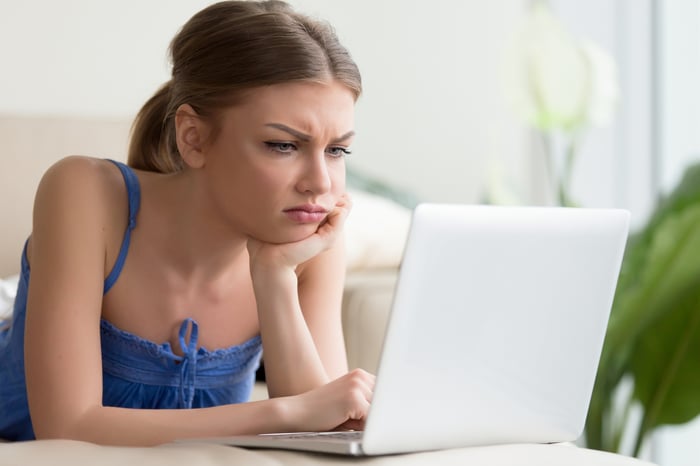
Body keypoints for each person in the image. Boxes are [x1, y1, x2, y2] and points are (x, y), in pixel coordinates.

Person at [0, 0, 375, 445]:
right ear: (193, 138)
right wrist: (284, 412)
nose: (319, 183)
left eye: (337, 151)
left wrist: (274, 276)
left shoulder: (313, 242)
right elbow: (67, 427)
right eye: (282, 145)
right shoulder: (86, 191)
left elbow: (324, 428)